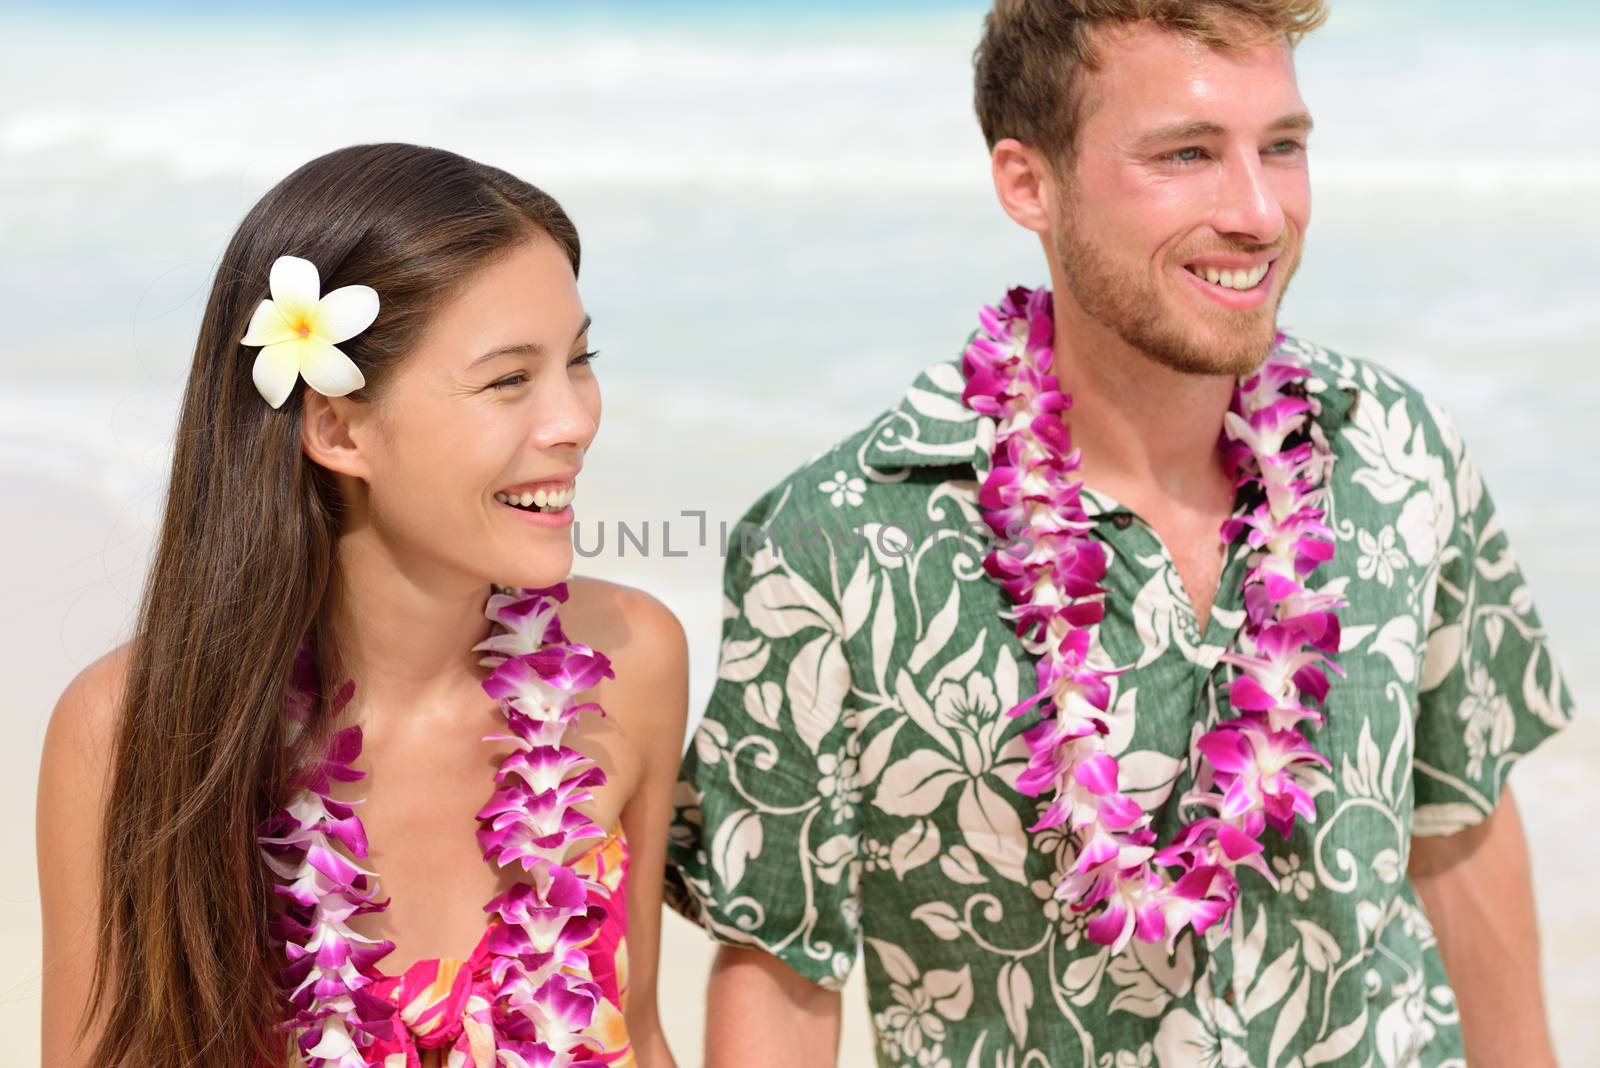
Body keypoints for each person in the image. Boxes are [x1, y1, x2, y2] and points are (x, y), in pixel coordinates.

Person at [663, 3, 1575, 1066]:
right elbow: (781, 968)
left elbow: (1459, 827)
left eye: (1281, 148)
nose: (1259, 214)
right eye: (1185, 154)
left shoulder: (1397, 454)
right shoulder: (837, 544)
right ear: (1027, 183)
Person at [36, 143, 686, 1068]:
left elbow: (644, 1034)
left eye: (579, 361)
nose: (575, 418)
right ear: (338, 428)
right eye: (509, 379)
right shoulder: (131, 732)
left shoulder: (633, 662)